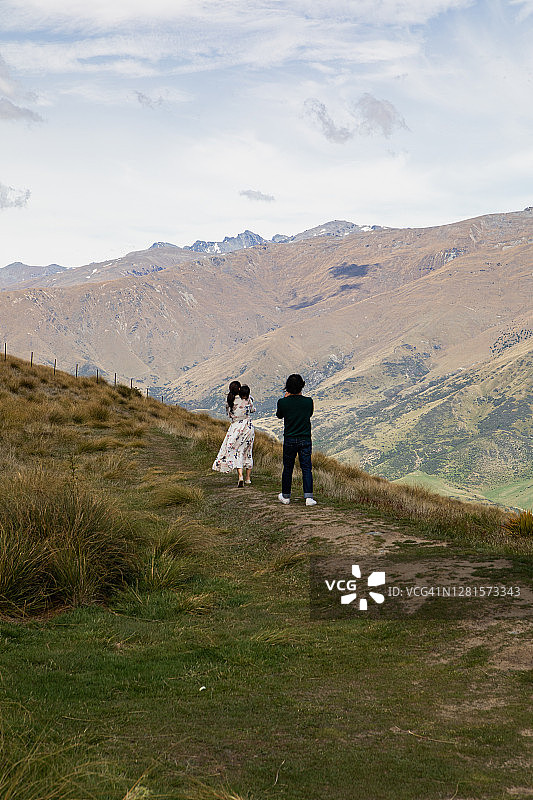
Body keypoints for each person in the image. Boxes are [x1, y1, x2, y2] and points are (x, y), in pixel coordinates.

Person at [276, 373, 317, 506]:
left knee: (288, 467)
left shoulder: (283, 402)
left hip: (290, 438)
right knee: (306, 468)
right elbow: (309, 414)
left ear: (287, 387)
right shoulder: (308, 401)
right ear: (302, 386)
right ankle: (309, 497)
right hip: (305, 438)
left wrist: (284, 398)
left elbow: (279, 415)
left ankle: (286, 496)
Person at [212, 381, 256, 487]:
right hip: (247, 427)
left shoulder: (229, 400)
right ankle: (248, 478)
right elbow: (252, 410)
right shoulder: (247, 398)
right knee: (248, 451)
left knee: (237, 452)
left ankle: (240, 476)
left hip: (235, 428)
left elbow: (229, 414)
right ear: (240, 389)